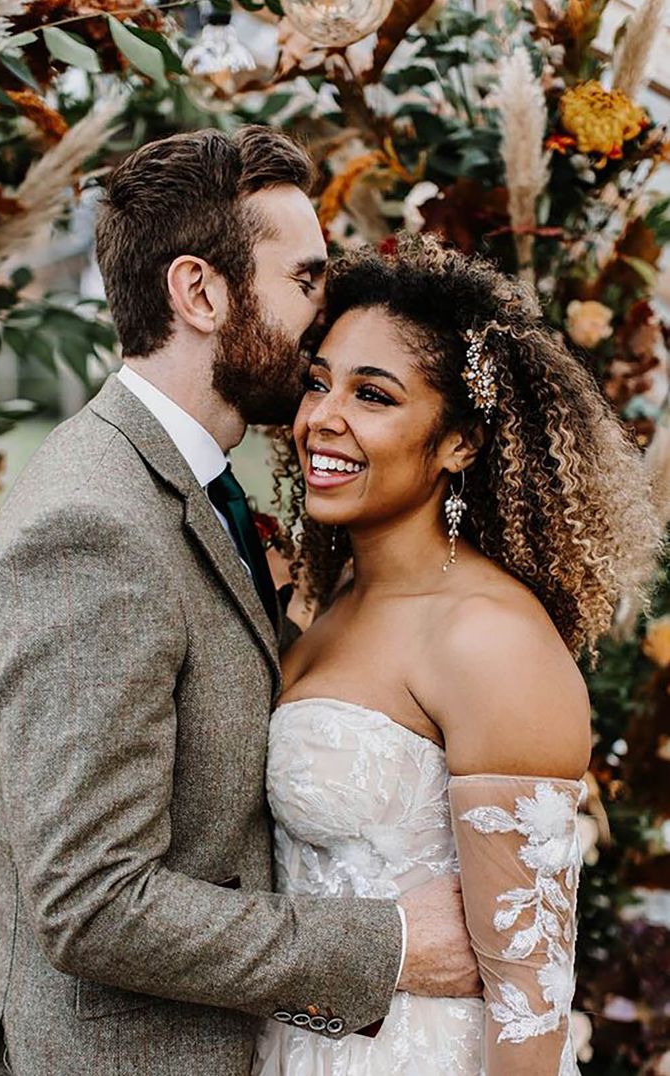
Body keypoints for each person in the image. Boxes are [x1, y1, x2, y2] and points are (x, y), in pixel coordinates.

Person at [0, 131, 479, 1076]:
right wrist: (393, 945)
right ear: (201, 293)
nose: (327, 319)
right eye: (307, 281)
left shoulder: (190, 493)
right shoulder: (93, 527)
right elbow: (95, 902)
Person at [253, 234, 661, 1075]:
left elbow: (530, 1000)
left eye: (373, 395)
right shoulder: (331, 606)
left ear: (460, 444)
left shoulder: (488, 639)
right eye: (317, 382)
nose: (322, 419)